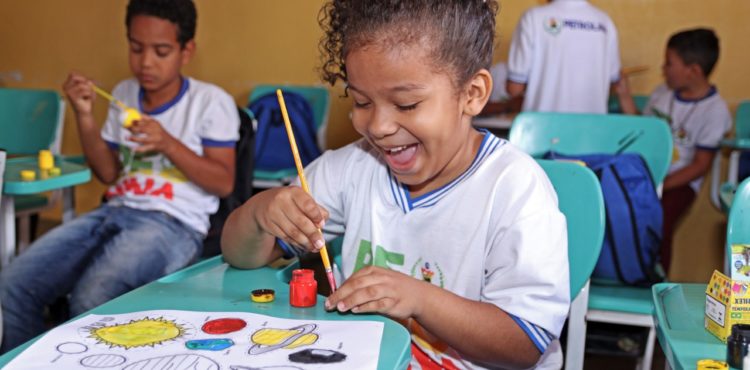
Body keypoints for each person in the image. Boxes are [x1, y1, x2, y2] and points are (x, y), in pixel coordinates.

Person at [222, 1, 569, 368]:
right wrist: (260, 214)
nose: (378, 126)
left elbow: (524, 344)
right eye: (361, 101)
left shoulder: (514, 188)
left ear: (472, 94)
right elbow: (240, 255)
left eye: (406, 104)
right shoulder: (350, 169)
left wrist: (420, 299)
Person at [0, 0, 239, 352]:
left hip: (173, 223)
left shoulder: (210, 102)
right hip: (114, 211)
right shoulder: (125, 94)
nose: (145, 63)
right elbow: (109, 173)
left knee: (93, 297)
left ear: (186, 50)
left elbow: (224, 183)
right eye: (136, 47)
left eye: (160, 51)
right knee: (13, 284)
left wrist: (168, 143)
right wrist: (84, 116)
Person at [616, 28, 731, 273]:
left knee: (660, 220)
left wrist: (660, 186)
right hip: (649, 175)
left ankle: (654, 281)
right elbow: (642, 131)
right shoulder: (661, 93)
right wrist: (625, 96)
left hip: (680, 183)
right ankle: (626, 273)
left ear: (694, 71)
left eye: (669, 63)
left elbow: (700, 165)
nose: (663, 68)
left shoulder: (715, 111)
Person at [506, 0, 621, 113]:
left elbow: (514, 88)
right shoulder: (605, 22)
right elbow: (614, 81)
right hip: (593, 127)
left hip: (543, 126)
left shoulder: (532, 18)